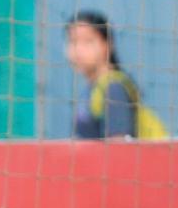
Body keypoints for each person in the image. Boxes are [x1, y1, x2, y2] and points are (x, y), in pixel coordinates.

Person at [64, 10, 167, 140]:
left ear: (107, 45)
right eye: (72, 41)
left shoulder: (113, 89)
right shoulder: (91, 90)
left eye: (87, 41)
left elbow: (117, 150)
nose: (77, 49)